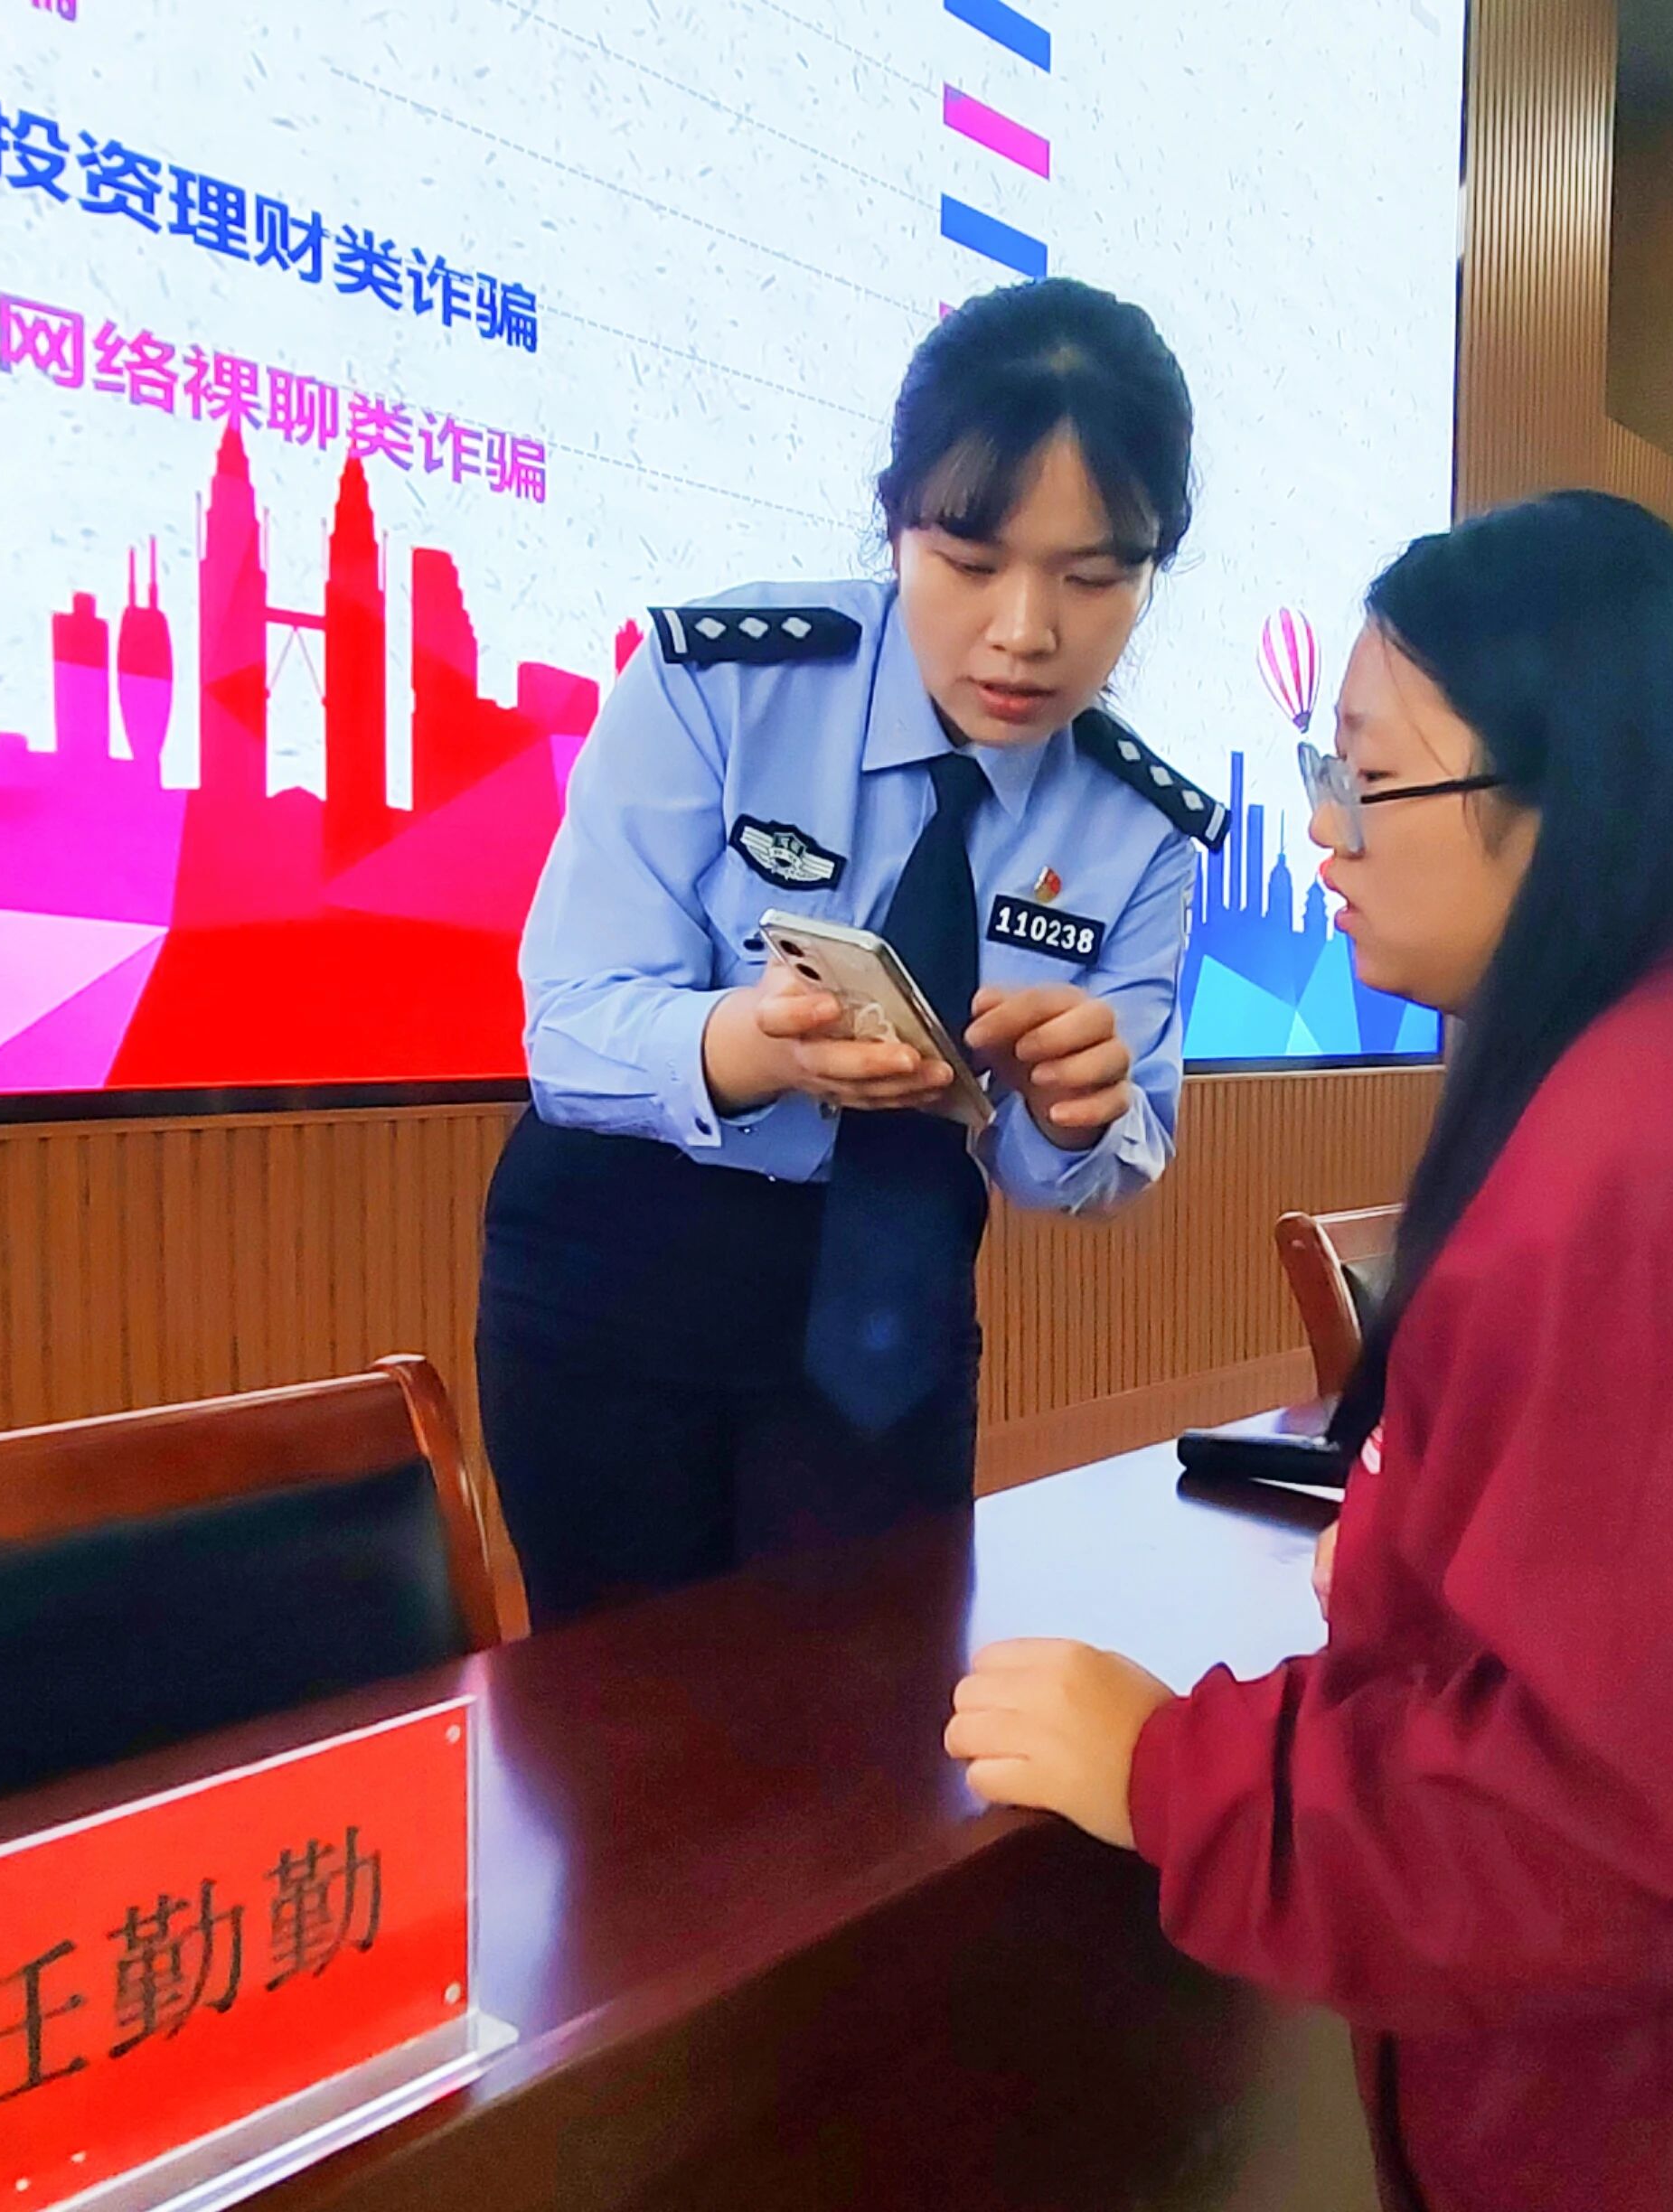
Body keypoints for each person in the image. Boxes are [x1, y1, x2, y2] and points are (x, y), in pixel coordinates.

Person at [945, 493, 1673, 2210]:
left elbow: (1644, 1811)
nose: (1323, 826)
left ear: (1563, 793)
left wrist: (1173, 1773)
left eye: (1369, 774)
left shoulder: (1667, 1145)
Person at [481, 277, 1226, 1631]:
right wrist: (756, 1046)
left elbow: (1097, 1164)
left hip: (891, 1302)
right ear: (895, 522)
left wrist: (1075, 1115)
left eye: (1093, 577)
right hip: (614, 1278)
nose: (1025, 633)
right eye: (971, 560)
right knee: (614, 1714)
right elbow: (569, 1028)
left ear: (1153, 567)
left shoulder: (1142, 826)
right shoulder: (722, 682)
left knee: (869, 1707)